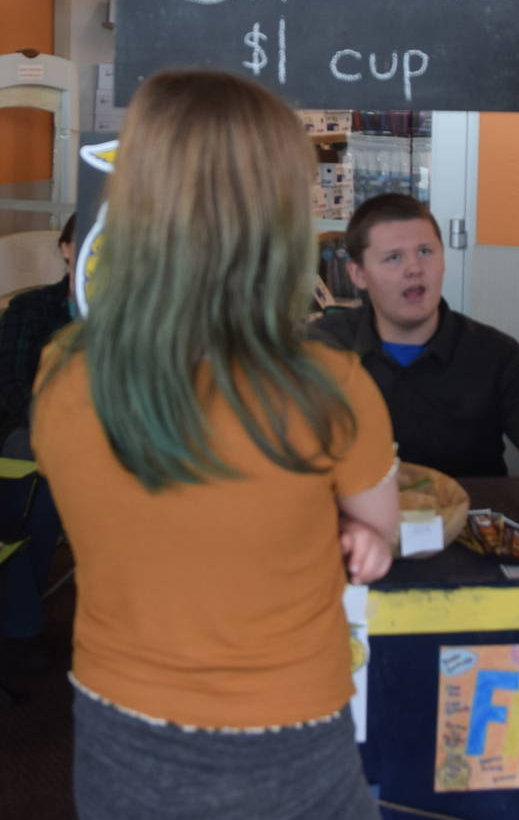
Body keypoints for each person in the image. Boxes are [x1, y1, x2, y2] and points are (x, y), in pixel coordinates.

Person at [31, 69, 399, 820]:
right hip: (289, 736)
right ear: (277, 217)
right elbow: (380, 531)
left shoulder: (60, 370)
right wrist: (350, 530)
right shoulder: (329, 386)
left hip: (115, 721)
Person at [309, 192, 519, 478]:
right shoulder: (318, 349)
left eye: (425, 252)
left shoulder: (499, 357)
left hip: (464, 518)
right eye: (394, 257)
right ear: (358, 274)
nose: (415, 268)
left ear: (443, 259)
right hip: (354, 518)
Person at [0, 215, 74, 652]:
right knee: (28, 463)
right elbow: (10, 384)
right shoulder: (32, 309)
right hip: (38, 426)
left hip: (116, 433)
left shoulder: (137, 317)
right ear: (66, 249)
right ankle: (22, 623)